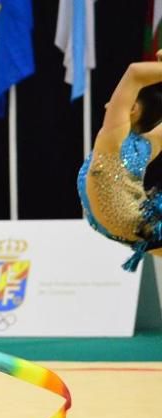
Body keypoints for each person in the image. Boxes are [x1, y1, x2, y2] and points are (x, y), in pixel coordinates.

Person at [78, 52, 162, 271]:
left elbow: (134, 73)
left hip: (137, 226)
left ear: (132, 109)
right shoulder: (147, 145)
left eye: (114, 99)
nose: (109, 104)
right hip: (140, 226)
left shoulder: (113, 138)